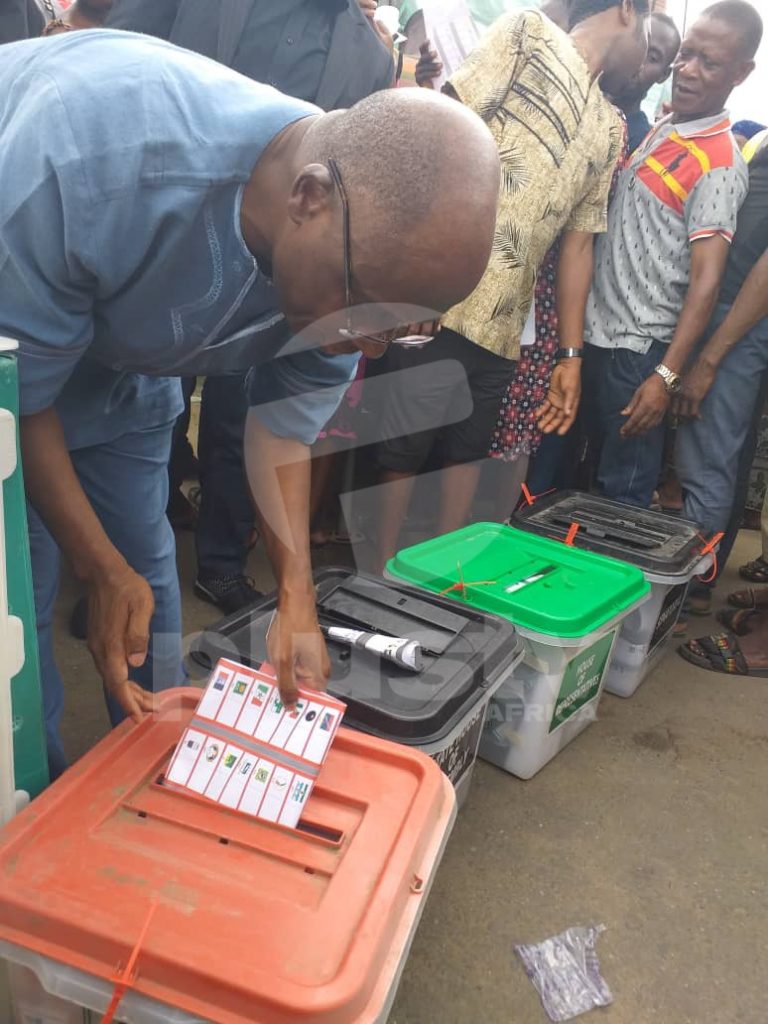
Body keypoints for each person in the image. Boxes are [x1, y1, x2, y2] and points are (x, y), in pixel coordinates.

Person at [1, 30, 500, 774]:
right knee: (23, 607)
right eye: (369, 312)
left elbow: (284, 431)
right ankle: (32, 817)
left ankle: (156, 780)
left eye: (408, 328)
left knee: (147, 577)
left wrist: (295, 591)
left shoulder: (356, 270)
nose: (371, 348)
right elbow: (18, 403)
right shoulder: (88, 161)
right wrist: (93, 564)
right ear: (308, 200)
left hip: (129, 367)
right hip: (13, 349)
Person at [107, 0, 396, 613]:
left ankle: (220, 562)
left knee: (244, 424)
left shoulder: (371, 56)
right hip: (155, 247)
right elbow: (116, 61)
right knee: (141, 408)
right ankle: (117, 562)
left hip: (273, 281)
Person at [374, 0, 650, 570]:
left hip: (505, 330)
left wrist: (569, 358)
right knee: (401, 452)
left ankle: (439, 584)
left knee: (464, 458)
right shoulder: (527, 33)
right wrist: (420, 277)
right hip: (441, 304)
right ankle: (376, 579)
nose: (651, 60)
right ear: (629, 10)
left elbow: (578, 244)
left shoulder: (609, 126)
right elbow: (442, 135)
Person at [583, 0, 759, 510]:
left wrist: (666, 378)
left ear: (741, 73)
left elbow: (708, 281)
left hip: (637, 356)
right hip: (599, 339)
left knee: (623, 498)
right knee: (588, 488)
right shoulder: (666, 126)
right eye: (686, 55)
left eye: (709, 62)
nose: (687, 71)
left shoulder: (721, 162)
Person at [673, 138, 768, 617]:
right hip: (737, 316)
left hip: (741, 320)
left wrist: (711, 356)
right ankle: (697, 579)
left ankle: (684, 588)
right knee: (723, 451)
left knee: (707, 460)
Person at [610, 12, 681, 154]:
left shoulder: (638, 141)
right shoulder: (581, 91)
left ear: (664, 75)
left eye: (653, 57)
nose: (638, 59)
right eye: (638, 43)